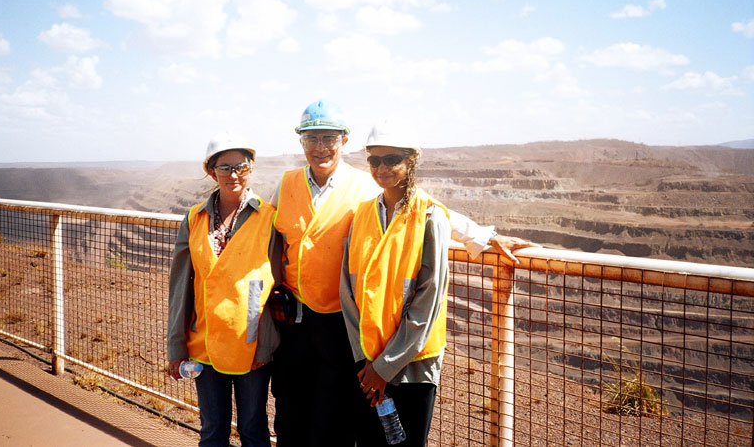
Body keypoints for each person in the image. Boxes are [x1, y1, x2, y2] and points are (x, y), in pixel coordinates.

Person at [269, 100, 534, 447]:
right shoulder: (287, 184)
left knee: (334, 421)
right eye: (311, 138)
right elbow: (267, 232)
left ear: (344, 141)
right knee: (290, 414)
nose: (320, 147)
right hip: (299, 321)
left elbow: (430, 212)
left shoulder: (364, 187)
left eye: (328, 138)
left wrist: (485, 236)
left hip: (342, 327)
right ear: (301, 142)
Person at [338, 121, 453, 446]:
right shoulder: (362, 214)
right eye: (374, 160)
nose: (382, 168)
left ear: (410, 160)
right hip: (368, 360)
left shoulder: (430, 216)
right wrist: (365, 359)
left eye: (391, 159)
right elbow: (348, 289)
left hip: (412, 365)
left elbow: (428, 301)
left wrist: (384, 368)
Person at [167, 131, 278, 447]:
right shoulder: (195, 218)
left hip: (251, 345)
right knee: (213, 430)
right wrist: (177, 347)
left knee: (253, 430)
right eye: (225, 167)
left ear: (251, 169)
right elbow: (181, 288)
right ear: (211, 171)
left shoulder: (267, 218)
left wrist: (266, 345)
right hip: (205, 343)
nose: (233, 174)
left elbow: (275, 288)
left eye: (241, 166)